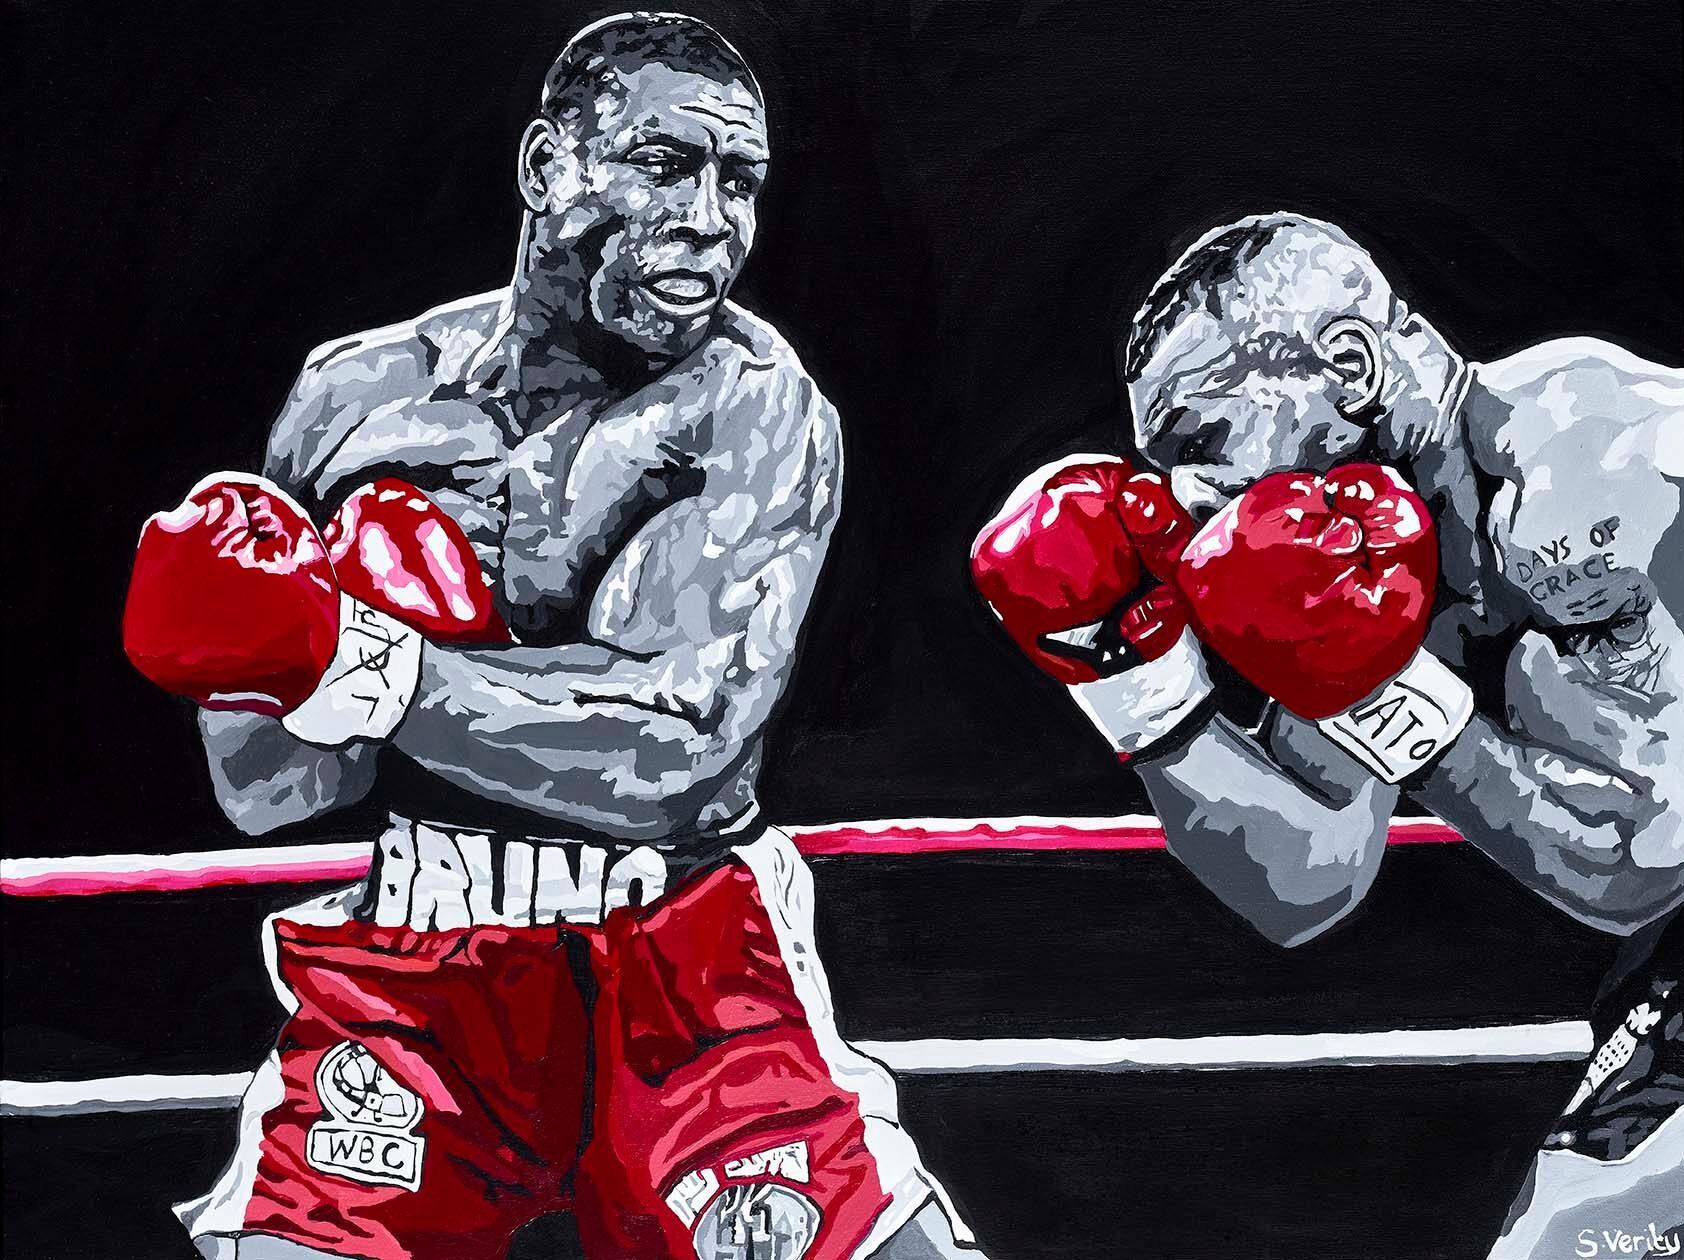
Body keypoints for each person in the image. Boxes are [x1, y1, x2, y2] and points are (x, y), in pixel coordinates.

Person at [170, 14, 975, 1259]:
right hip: (422, 963)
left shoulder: (751, 408)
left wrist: (363, 662)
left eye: (740, 181)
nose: (711, 220)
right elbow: (268, 792)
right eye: (665, 164)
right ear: (548, 166)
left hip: (687, 968)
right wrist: (251, 655)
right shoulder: (351, 400)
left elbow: (674, 750)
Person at [972, 211, 1681, 1257]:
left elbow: (1642, 862)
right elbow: (1305, 881)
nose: (1184, 496)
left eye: (1202, 441)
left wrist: (1387, 690)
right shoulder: (1369, 553)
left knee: (1576, 1233)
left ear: (1349, 368)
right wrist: (1138, 685)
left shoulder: (1588, 472)